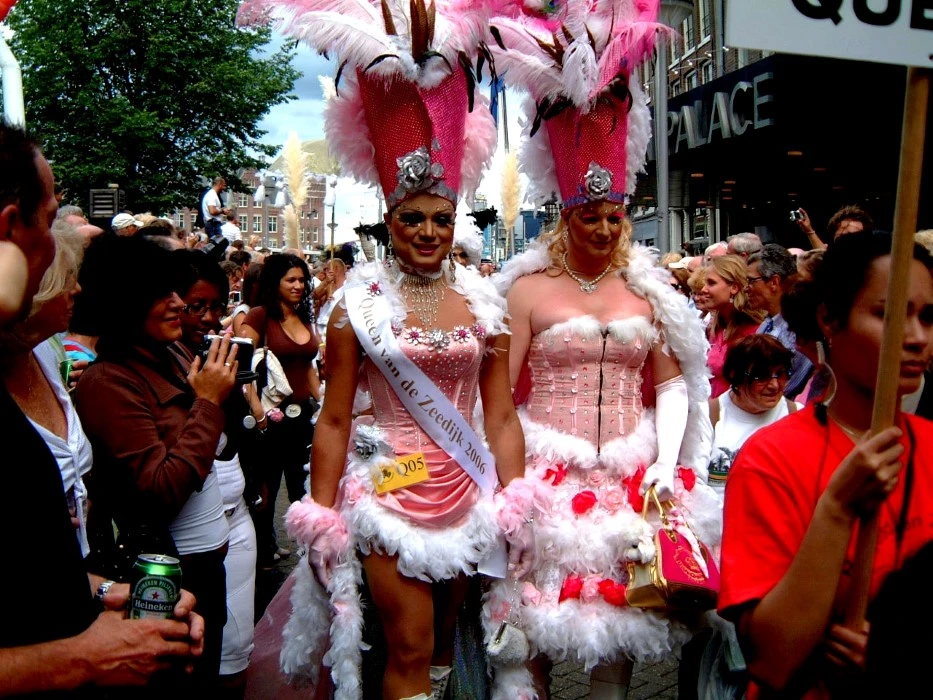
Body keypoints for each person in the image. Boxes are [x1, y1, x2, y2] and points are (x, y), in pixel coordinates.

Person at [236, 2, 534, 699]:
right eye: (412, 219)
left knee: (443, 652)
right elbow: (335, 417)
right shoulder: (356, 306)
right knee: (406, 644)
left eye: (440, 219)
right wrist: (318, 514)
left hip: (465, 493)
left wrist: (515, 496)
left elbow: (498, 415)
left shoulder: (485, 301)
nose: (427, 232)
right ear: (388, 219)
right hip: (387, 495)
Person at [487, 2, 721, 696]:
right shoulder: (527, 290)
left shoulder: (647, 292)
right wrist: (504, 483)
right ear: (564, 214)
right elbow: (497, 390)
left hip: (628, 480)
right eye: (585, 215)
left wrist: (665, 463)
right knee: (525, 637)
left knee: (613, 643)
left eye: (611, 215)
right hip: (542, 477)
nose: (599, 226)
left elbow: (673, 382)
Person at [0, 121, 206, 694]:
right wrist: (79, 659)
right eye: (50, 219)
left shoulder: (37, 358)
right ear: (11, 229)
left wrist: (102, 591)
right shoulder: (104, 380)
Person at [718, 230, 933, 699]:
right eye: (890, 314)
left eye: (928, 317)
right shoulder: (769, 459)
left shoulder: (931, 447)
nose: (917, 338)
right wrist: (835, 509)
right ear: (830, 319)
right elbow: (772, 659)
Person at [74, 235, 238, 691]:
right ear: (124, 302)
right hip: (162, 578)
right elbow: (159, 488)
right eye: (160, 294)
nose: (177, 305)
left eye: (175, 292)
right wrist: (208, 401)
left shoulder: (172, 352)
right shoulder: (108, 381)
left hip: (206, 570)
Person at [174, 250, 258, 698]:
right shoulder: (156, 366)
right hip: (189, 535)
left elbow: (237, 441)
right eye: (194, 306)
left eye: (216, 307)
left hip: (237, 515)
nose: (207, 319)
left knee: (236, 649)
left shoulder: (222, 362)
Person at [240, 253, 321, 565]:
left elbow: (308, 368)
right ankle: (260, 556)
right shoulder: (260, 316)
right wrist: (258, 412)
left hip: (304, 419)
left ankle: (309, 555)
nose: (298, 286)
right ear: (275, 283)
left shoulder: (304, 317)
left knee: (305, 490)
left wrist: (324, 403)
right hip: (271, 421)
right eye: (291, 280)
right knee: (267, 493)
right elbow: (242, 368)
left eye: (302, 280)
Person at [708, 334, 801, 491]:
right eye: (761, 376)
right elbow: (696, 481)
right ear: (734, 375)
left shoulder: (798, 416)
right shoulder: (710, 415)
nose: (774, 385)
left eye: (781, 374)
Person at [745, 244, 813, 399]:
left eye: (751, 281)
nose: (746, 288)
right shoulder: (766, 324)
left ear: (774, 282)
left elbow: (788, 389)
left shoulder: (798, 331)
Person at [700, 255, 764, 398]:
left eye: (711, 283)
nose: (703, 289)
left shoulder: (755, 332)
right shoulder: (715, 328)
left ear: (734, 287)